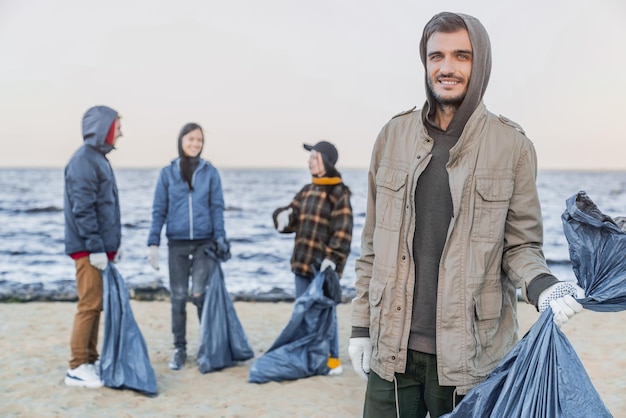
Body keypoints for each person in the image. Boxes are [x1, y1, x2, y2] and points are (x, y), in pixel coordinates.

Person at [348, 12, 585, 417]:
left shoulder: (512, 146)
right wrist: (360, 327)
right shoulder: (392, 136)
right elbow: (372, 243)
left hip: (471, 359)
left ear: (481, 64)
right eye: (436, 56)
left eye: (462, 55)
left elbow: (521, 246)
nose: (447, 68)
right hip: (392, 353)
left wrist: (542, 285)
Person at [147, 122, 230, 371]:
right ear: (181, 140)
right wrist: (153, 242)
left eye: (199, 140)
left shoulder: (210, 172)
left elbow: (217, 208)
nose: (195, 144)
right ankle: (179, 349)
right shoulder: (167, 173)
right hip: (177, 243)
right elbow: (159, 209)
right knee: (178, 297)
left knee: (200, 295)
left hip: (205, 243)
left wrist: (221, 238)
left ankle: (207, 349)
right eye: (191, 139)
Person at [273, 141, 354, 375]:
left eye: (315, 157)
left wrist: (333, 259)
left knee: (325, 314)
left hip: (323, 268)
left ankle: (332, 360)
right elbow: (291, 218)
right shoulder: (307, 190)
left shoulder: (339, 193)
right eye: (310, 158)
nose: (310, 161)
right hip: (302, 263)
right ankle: (308, 355)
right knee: (303, 313)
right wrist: (283, 217)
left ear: (326, 162)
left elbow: (343, 231)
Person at [63, 105, 123, 388]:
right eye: (117, 126)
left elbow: (106, 208)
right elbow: (83, 209)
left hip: (98, 248)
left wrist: (113, 246)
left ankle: (90, 359)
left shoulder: (98, 159)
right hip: (87, 249)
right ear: (104, 128)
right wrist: (96, 248)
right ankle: (77, 366)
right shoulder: (83, 160)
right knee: (89, 305)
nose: (121, 132)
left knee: (97, 305)